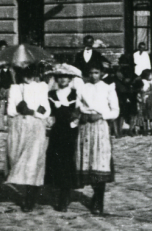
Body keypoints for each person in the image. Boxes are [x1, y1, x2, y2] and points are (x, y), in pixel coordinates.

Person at [73, 63, 120, 216]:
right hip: (85, 128)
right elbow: (77, 106)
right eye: (91, 72)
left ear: (101, 73)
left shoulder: (108, 88)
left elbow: (115, 111)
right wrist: (81, 115)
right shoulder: (82, 88)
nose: (93, 75)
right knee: (87, 162)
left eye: (96, 72)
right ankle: (95, 193)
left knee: (100, 162)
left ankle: (99, 199)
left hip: (100, 127)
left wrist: (101, 115)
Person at [5, 64, 51, 212]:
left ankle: (30, 198)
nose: (27, 77)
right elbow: (10, 111)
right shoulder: (15, 88)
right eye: (24, 74)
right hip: (18, 127)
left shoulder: (42, 87)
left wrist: (31, 111)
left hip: (36, 126)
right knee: (18, 160)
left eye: (30, 73)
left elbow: (45, 110)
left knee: (32, 162)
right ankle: (27, 192)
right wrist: (19, 107)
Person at [43, 64, 82, 212]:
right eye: (60, 77)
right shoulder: (51, 95)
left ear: (71, 79)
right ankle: (57, 191)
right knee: (56, 161)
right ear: (56, 79)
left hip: (71, 132)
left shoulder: (75, 94)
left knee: (68, 162)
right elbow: (45, 110)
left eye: (66, 77)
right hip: (57, 132)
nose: (63, 79)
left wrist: (75, 119)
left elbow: (79, 110)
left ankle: (64, 197)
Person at [0, 40, 15, 132]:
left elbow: (14, 80)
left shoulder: (11, 71)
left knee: (10, 108)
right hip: (2, 89)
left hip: (10, 89)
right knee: (0, 108)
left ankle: (10, 126)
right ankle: (0, 126)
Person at [134, 69, 152, 135]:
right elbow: (143, 91)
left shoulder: (149, 83)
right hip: (146, 100)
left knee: (150, 116)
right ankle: (147, 130)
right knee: (146, 116)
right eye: (150, 75)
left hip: (151, 100)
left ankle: (151, 129)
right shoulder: (143, 82)